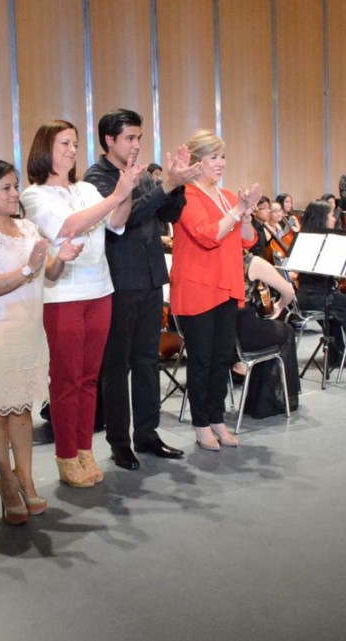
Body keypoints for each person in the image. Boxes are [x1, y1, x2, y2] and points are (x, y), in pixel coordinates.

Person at [20, 119, 142, 487]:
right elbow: (69, 226)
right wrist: (116, 195)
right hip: (63, 297)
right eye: (64, 144)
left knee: (90, 378)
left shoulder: (87, 188)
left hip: (100, 290)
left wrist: (129, 188)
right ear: (45, 149)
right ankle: (66, 455)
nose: (72, 151)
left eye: (75, 144)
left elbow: (117, 223)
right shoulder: (34, 195)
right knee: (67, 379)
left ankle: (85, 449)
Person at [0, 160, 81, 524]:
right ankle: (8, 483)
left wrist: (63, 260)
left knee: (22, 409)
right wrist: (29, 267)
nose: (15, 194)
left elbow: (51, 273)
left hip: (30, 331)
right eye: (7, 188)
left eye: (15, 186)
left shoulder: (28, 227)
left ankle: (26, 480)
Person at [82, 108, 198, 471]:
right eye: (129, 138)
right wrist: (163, 186)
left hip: (149, 279)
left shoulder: (142, 174)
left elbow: (170, 215)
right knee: (116, 367)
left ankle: (147, 434)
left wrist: (176, 183)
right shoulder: (95, 178)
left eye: (139, 138)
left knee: (147, 362)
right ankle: (119, 442)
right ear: (109, 141)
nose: (136, 144)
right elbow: (124, 219)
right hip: (117, 284)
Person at [171, 130, 260, 450]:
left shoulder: (228, 197)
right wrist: (236, 213)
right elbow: (207, 235)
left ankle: (217, 418)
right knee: (202, 360)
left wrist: (246, 213)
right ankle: (200, 423)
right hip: (198, 287)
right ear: (196, 162)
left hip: (226, 285)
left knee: (222, 357)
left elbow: (248, 239)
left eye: (222, 156)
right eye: (213, 157)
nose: (220, 163)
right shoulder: (186, 195)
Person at [294, 200, 346, 367]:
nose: (334, 219)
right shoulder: (324, 242)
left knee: (339, 308)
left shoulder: (303, 239)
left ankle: (335, 356)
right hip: (319, 296)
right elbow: (335, 271)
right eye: (331, 215)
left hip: (302, 296)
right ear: (322, 218)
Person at [238, 253, 300, 417]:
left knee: (267, 332)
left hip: (221, 337)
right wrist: (279, 306)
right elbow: (288, 292)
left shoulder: (215, 259)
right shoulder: (251, 262)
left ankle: (258, 397)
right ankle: (271, 400)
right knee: (286, 331)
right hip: (244, 334)